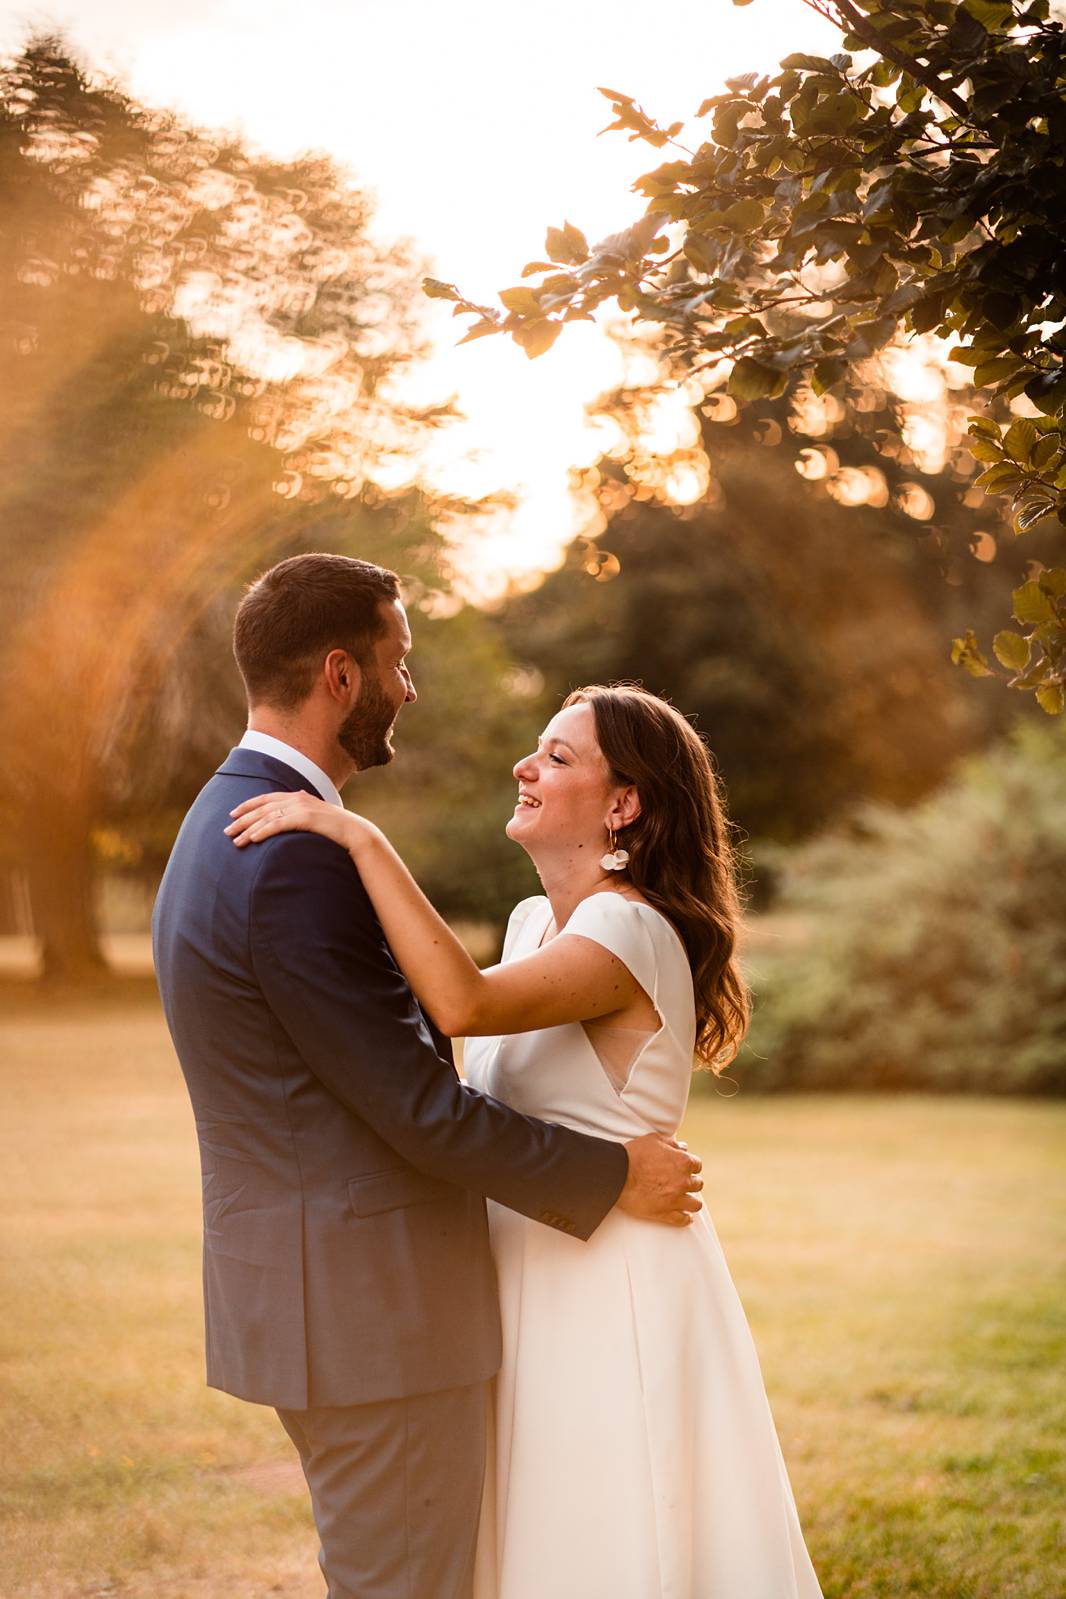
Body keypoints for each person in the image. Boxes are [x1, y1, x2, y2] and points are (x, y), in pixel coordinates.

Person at [152, 553, 701, 1599]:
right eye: (399, 662)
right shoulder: (297, 851)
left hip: (320, 1297)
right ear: (340, 675)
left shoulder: (226, 821)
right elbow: (416, 1105)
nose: (412, 688)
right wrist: (610, 1174)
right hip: (373, 1318)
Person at [228, 678, 825, 1599]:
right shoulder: (532, 921)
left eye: (559, 755)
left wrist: (357, 833)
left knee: (607, 1532)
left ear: (623, 804)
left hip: (611, 1277)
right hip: (524, 1268)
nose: (526, 764)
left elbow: (462, 1002)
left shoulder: (628, 925)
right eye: (537, 747)